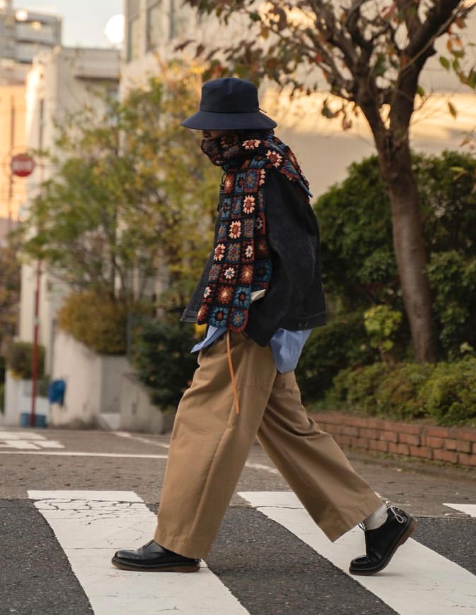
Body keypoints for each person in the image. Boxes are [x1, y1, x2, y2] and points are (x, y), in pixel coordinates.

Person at [112, 77, 416, 577]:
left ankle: (178, 543)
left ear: (235, 130)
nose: (205, 141)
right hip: (250, 319)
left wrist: (260, 325)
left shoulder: (266, 171)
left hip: (248, 322)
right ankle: (379, 519)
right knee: (290, 430)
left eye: (212, 132)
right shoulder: (251, 164)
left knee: (206, 424)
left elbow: (299, 256)